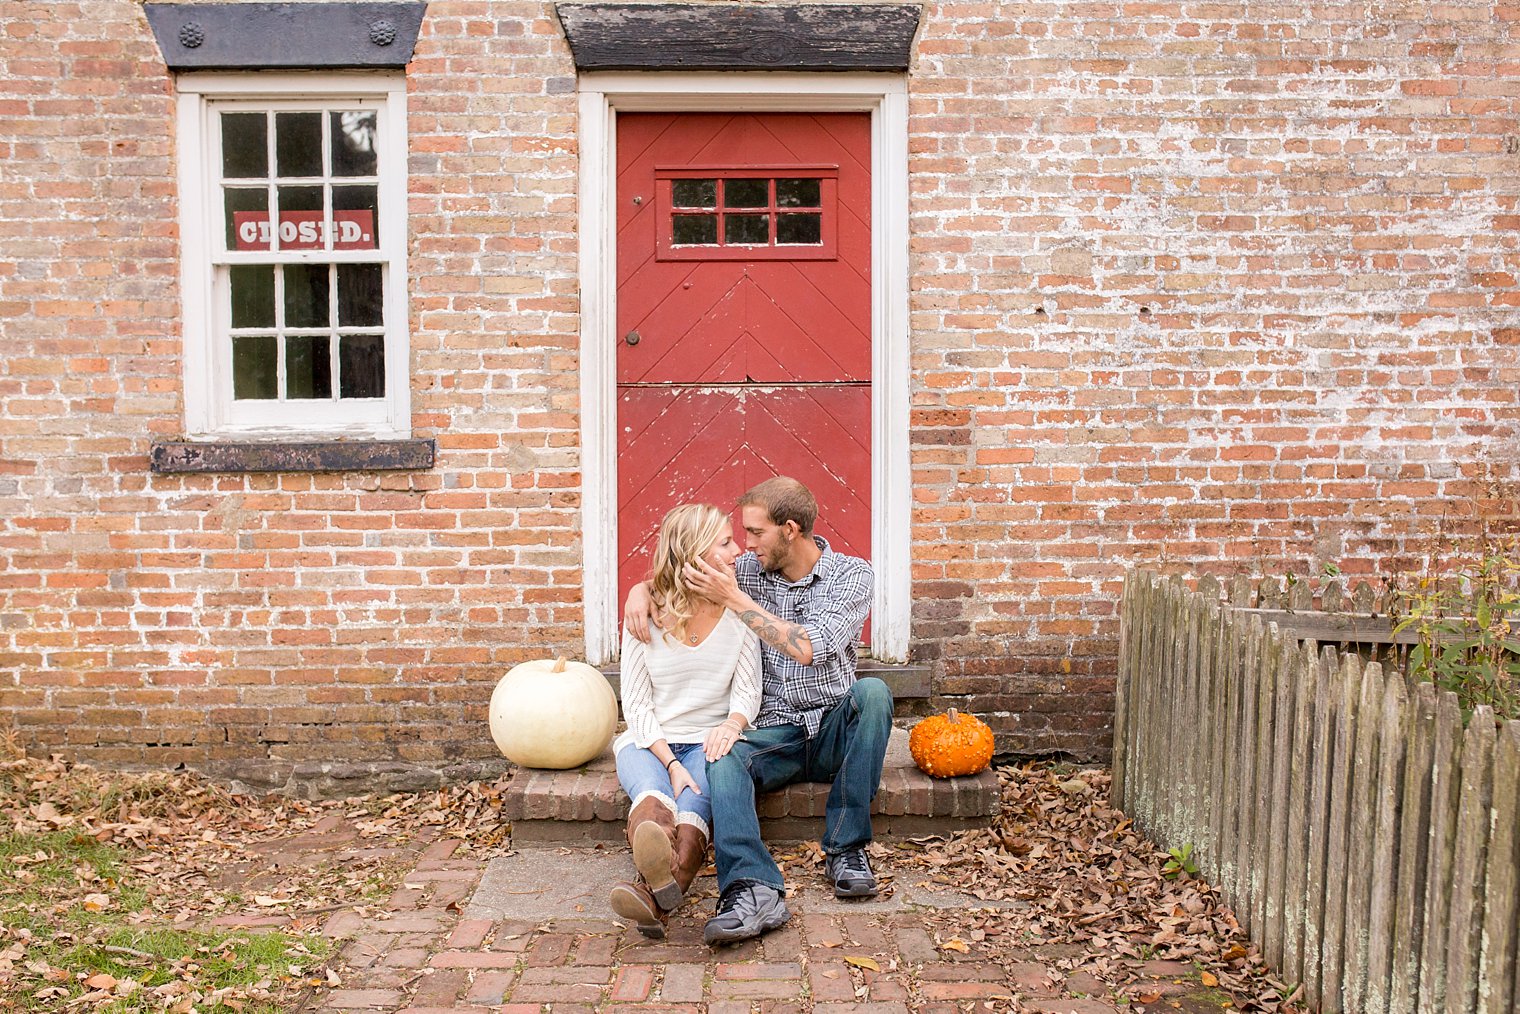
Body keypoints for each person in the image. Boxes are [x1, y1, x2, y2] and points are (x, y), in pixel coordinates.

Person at [624, 477, 892, 946]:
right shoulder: (747, 569)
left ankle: (847, 850)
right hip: (774, 733)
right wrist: (639, 591)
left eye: (754, 533)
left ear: (789, 529)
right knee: (721, 754)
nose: (744, 547)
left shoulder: (853, 575)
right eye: (740, 537)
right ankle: (752, 888)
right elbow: (680, 567)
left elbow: (810, 648)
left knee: (873, 693)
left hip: (831, 724)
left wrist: (735, 600)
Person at [609, 503, 763, 939]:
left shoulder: (739, 612)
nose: (738, 551)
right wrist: (670, 762)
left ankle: (652, 894)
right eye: (726, 542)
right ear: (695, 553)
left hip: (708, 741)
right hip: (647, 741)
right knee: (653, 793)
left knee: (693, 803)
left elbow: (748, 690)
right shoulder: (645, 614)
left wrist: (732, 725)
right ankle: (662, 890)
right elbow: (636, 705)